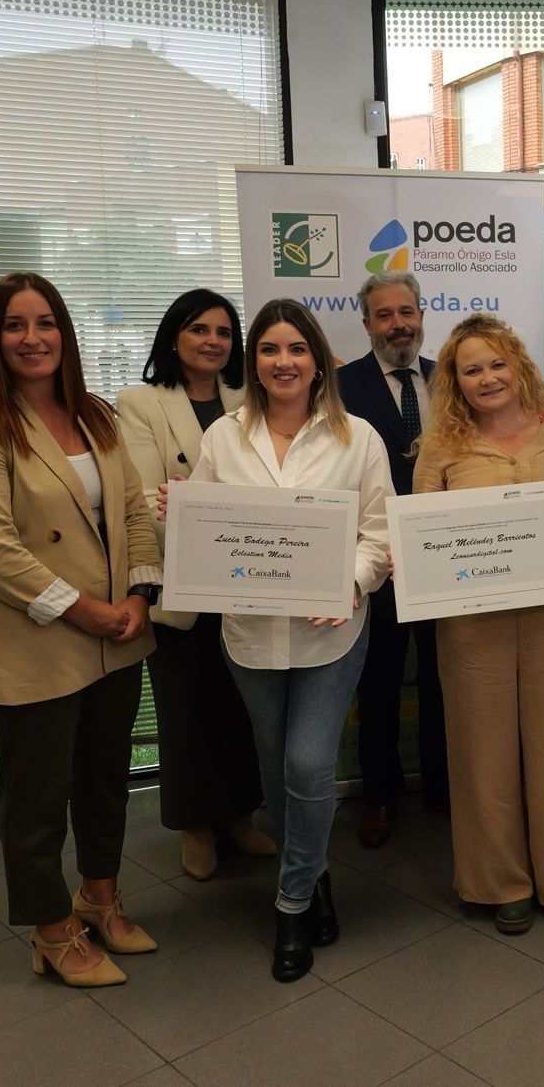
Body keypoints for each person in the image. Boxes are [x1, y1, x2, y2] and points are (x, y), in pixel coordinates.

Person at [164, 298, 392, 982]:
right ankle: (316, 872)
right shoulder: (224, 439)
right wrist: (179, 516)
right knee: (272, 770)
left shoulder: (360, 439)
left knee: (307, 764)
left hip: (333, 632)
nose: (283, 362)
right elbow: (203, 528)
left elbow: (378, 534)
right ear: (253, 362)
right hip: (252, 636)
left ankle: (290, 905)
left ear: (319, 360)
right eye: (269, 350)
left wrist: (351, 581)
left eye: (297, 349)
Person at [0, 272, 160, 988]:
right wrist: (84, 608)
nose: (31, 339)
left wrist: (139, 593)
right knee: (36, 801)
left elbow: (132, 513)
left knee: (104, 783)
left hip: (115, 633)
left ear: (65, 333)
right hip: (37, 640)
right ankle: (50, 931)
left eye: (44, 323)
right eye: (14, 326)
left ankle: (99, 900)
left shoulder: (96, 415)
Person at [414, 313, 544, 935]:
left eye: (497, 364)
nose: (488, 378)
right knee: (481, 755)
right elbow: (419, 539)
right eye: (471, 370)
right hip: (471, 626)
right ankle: (501, 883)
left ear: (518, 367)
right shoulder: (440, 447)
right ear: (455, 382)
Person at [117, 290, 273, 882]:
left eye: (224, 332)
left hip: (250, 580)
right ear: (174, 337)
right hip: (183, 586)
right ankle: (195, 827)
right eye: (199, 329)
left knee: (241, 710)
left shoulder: (249, 397)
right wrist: (210, 515)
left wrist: (201, 504)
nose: (213, 341)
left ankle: (240, 817)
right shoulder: (140, 402)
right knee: (187, 712)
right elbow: (144, 498)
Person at [337, 270, 448, 848]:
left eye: (407, 312)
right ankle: (379, 795)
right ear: (366, 324)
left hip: (442, 556)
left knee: (440, 677)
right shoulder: (337, 385)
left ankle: (442, 786)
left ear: (422, 316)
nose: (398, 324)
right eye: (384, 315)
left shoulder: (447, 381)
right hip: (374, 557)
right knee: (376, 681)